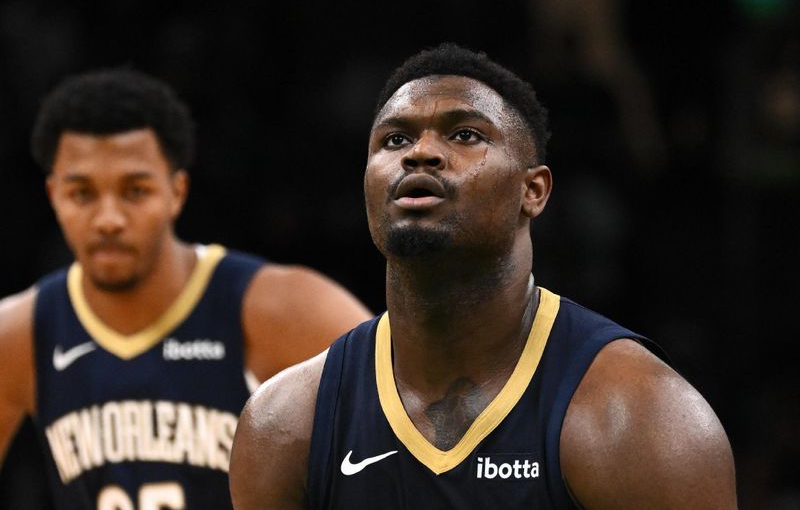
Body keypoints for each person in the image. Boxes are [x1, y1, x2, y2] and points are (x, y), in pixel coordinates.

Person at [229, 43, 738, 509]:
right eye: (395, 138)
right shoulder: (287, 423)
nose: (420, 152)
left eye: (465, 134)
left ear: (533, 191)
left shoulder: (642, 417)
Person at [0, 67, 371, 510]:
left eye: (135, 191)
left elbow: (405, 444)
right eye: (82, 193)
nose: (108, 219)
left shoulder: (280, 307)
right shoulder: (20, 334)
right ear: (52, 194)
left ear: (177, 191)